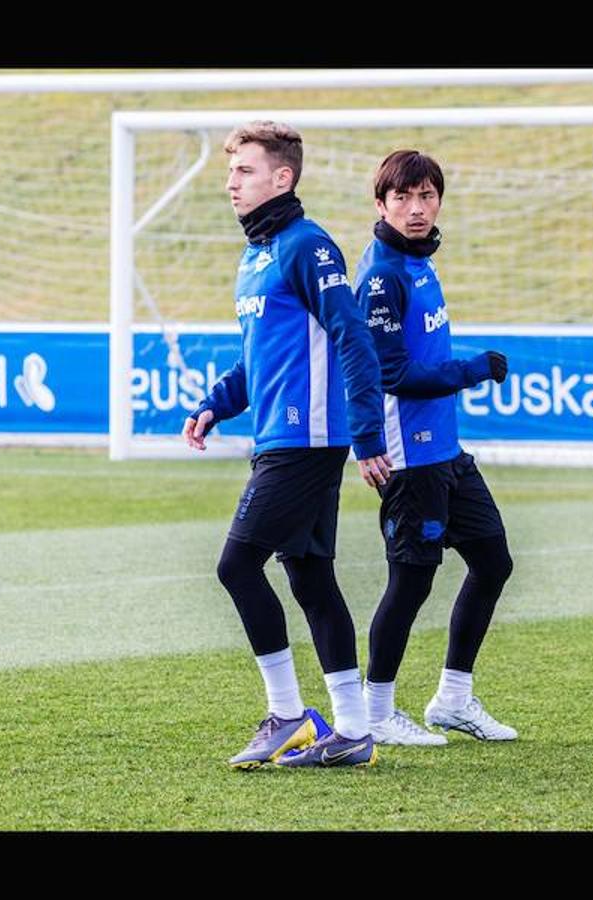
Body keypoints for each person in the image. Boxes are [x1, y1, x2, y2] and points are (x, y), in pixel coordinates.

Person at [183, 121, 392, 769]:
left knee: (236, 566)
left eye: (244, 171)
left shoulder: (308, 247)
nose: (231, 183)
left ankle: (287, 715)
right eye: (230, 172)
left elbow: (353, 337)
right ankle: (353, 730)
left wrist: (366, 435)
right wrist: (217, 403)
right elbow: (259, 358)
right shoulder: (254, 258)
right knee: (309, 578)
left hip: (308, 440)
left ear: (283, 177)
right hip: (275, 436)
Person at [353, 149, 518, 747]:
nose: (416, 208)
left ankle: (453, 699)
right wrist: (471, 370)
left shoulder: (420, 262)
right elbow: (393, 374)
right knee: (412, 581)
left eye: (426, 196)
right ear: (381, 204)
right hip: (410, 457)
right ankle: (376, 711)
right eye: (403, 198)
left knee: (493, 562)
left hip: (447, 451)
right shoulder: (381, 277)